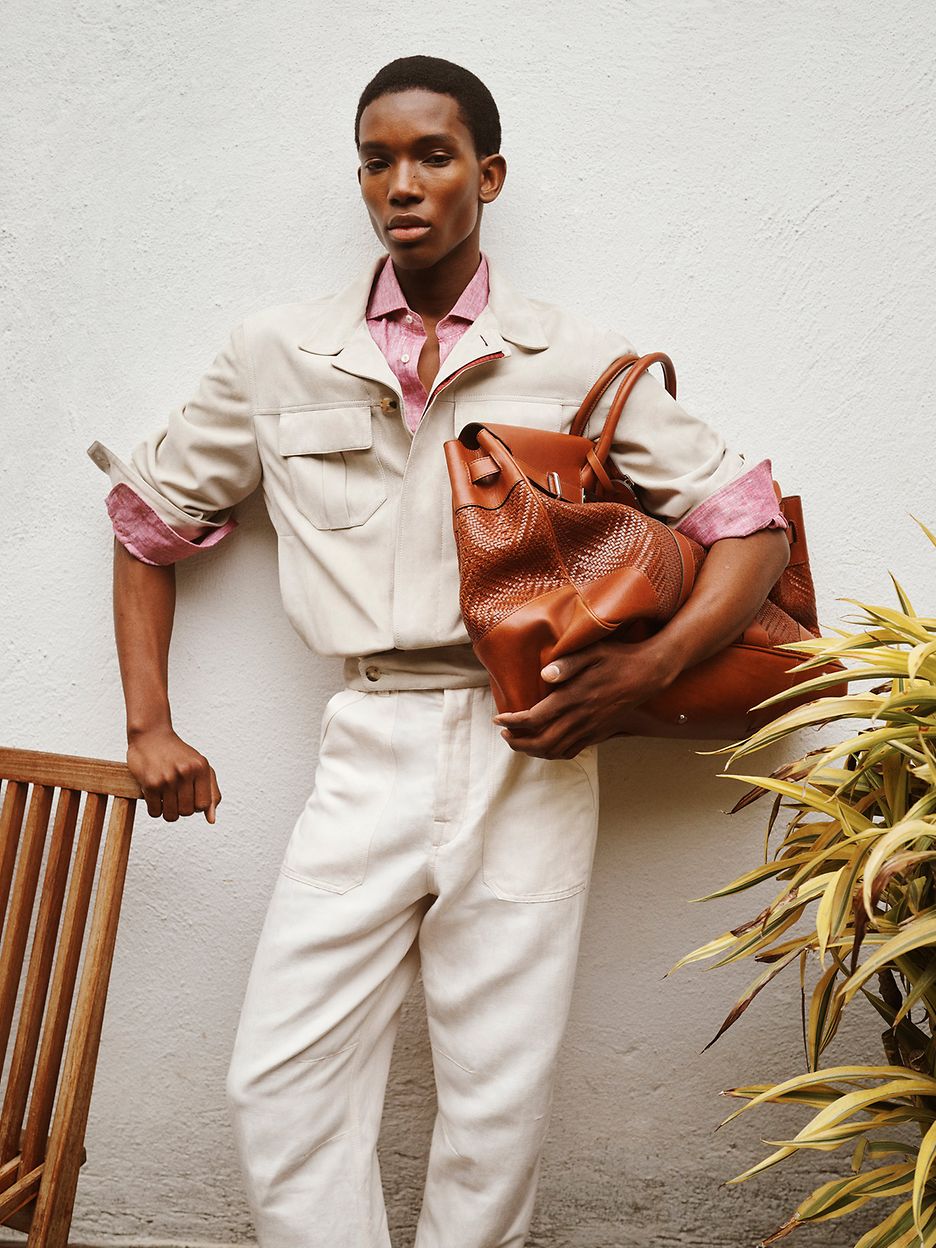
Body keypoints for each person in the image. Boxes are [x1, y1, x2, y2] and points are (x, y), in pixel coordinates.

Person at [88, 55, 790, 1248]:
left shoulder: (572, 355)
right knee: (280, 1081)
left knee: (494, 1105)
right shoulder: (275, 351)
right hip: (368, 735)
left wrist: (649, 668)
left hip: (532, 745)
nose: (402, 183)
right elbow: (149, 523)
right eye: (377, 161)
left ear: (489, 175)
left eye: (433, 156)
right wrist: (147, 723)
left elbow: (751, 528)